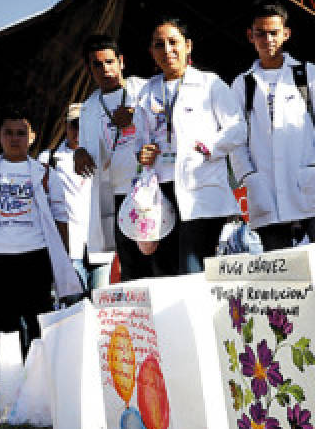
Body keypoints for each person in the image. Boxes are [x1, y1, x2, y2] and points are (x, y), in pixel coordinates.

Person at [133, 17, 249, 274]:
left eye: (173, 42)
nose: (167, 50)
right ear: (151, 52)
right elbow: (139, 139)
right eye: (158, 45)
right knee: (167, 271)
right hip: (162, 192)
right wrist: (141, 152)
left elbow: (238, 128)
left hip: (201, 190)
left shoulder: (210, 84)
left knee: (192, 268)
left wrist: (208, 147)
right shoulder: (146, 92)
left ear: (188, 46)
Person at [0, 110, 81, 353]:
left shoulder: (45, 173)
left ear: (32, 137)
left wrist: (63, 256)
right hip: (0, 259)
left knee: (40, 323)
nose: (15, 138)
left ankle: (40, 376)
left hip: (37, 256)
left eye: (21, 133)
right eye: (9, 133)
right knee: (6, 325)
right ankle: (14, 380)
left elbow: (60, 215)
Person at [229, 1, 315, 252]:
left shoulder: (305, 73)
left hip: (310, 188)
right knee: (284, 281)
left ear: (286, 34)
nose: (268, 39)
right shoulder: (242, 84)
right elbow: (235, 139)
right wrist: (250, 179)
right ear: (251, 35)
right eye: (260, 33)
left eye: (274, 32)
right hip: (266, 193)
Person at [74, 34, 150, 281]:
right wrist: (80, 153)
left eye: (109, 62)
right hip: (116, 196)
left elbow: (164, 128)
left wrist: (135, 117)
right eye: (97, 64)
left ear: (121, 62)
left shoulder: (144, 89)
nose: (105, 69)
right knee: (130, 265)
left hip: (149, 190)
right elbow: (88, 151)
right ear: (89, 69)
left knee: (157, 261)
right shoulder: (88, 108)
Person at [39, 103, 94, 293]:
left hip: (99, 240)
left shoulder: (101, 151)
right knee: (74, 302)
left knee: (101, 300)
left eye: (83, 124)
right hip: (69, 242)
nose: (78, 131)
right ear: (65, 126)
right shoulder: (50, 159)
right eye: (74, 125)